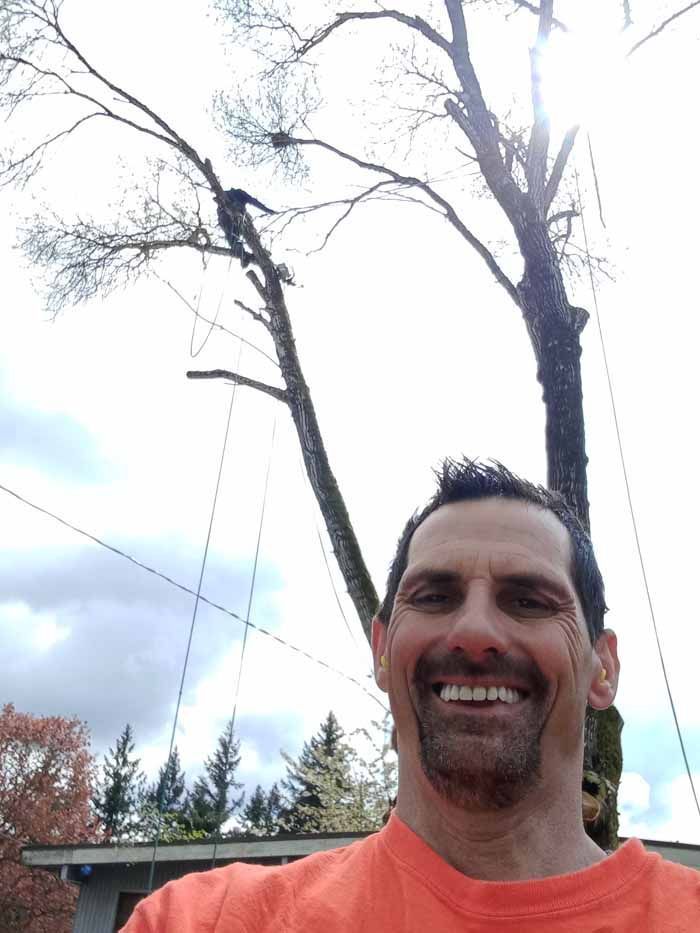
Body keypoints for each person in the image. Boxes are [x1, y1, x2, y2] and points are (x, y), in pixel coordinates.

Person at [123, 459, 699, 931]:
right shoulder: (207, 922)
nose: (474, 632)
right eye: (434, 597)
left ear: (604, 669)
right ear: (381, 649)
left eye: (528, 600)